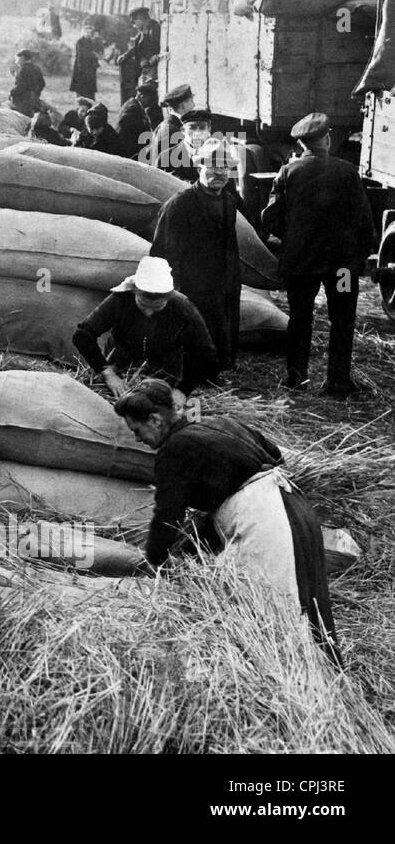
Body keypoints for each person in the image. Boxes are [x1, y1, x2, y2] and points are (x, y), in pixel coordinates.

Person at [114, 379, 339, 664]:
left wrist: (155, 563)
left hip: (265, 523)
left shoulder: (174, 449)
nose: (137, 439)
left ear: (156, 419)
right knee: (312, 609)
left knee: (276, 617)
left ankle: (300, 691)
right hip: (296, 509)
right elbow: (276, 456)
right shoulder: (220, 423)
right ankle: (327, 681)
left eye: (137, 430)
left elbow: (167, 517)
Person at [261, 113, 375, 397]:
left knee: (300, 319)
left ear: (301, 145)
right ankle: (338, 382)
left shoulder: (288, 172)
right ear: (328, 138)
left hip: (301, 265)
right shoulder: (347, 171)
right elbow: (365, 222)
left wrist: (292, 237)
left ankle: (296, 379)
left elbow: (269, 217)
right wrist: (356, 258)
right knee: (343, 319)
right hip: (341, 269)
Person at [151, 134, 244, 373]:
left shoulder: (229, 201)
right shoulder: (180, 204)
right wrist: (173, 287)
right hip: (193, 283)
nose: (219, 173)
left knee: (221, 329)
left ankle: (217, 369)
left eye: (224, 166)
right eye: (212, 166)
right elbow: (163, 251)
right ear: (199, 167)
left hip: (221, 281)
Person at [74, 256, 217, 401]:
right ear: (135, 291)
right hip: (120, 370)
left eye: (156, 308)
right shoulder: (121, 299)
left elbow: (205, 355)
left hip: (165, 376)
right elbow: (82, 335)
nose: (148, 312)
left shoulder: (182, 307)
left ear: (168, 298)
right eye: (143, 305)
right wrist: (107, 371)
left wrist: (182, 391)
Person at [149, 83, 198, 179]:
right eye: (191, 101)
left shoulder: (166, 125)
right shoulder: (172, 131)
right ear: (183, 105)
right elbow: (172, 169)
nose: (194, 105)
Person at [120, 6, 161, 105]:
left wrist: (154, 57)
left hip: (153, 69)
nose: (134, 25)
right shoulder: (142, 32)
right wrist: (125, 56)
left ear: (141, 19)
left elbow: (159, 47)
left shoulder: (155, 29)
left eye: (135, 22)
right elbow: (135, 47)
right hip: (145, 69)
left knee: (147, 96)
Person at [117, 81, 163, 160]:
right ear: (142, 96)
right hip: (128, 152)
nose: (150, 103)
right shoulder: (132, 109)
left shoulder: (133, 105)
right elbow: (129, 134)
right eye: (149, 99)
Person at [9, 49, 45, 118]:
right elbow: (42, 83)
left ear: (22, 58)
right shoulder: (37, 68)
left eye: (17, 59)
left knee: (22, 119)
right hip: (35, 99)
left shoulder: (22, 70)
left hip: (24, 101)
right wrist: (36, 93)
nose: (16, 62)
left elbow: (21, 86)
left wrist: (12, 92)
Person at [69, 25, 99, 100]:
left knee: (90, 85)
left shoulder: (91, 41)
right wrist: (92, 54)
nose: (88, 34)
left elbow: (94, 52)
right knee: (81, 85)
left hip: (90, 66)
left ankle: (90, 99)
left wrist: (95, 61)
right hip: (82, 65)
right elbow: (81, 54)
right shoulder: (80, 42)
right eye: (86, 32)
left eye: (89, 32)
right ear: (83, 32)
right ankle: (81, 99)